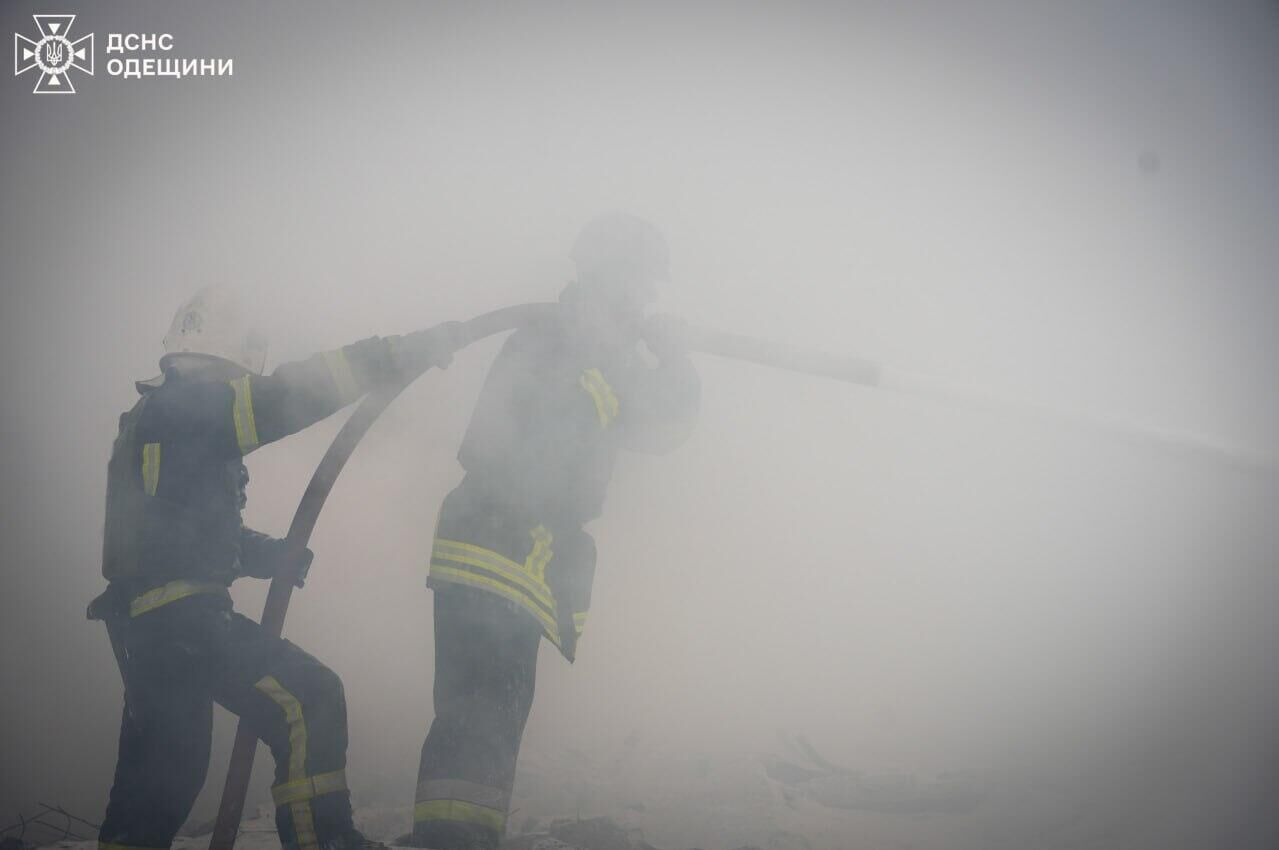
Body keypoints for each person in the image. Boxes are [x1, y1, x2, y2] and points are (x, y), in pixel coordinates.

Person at [90, 286, 459, 850]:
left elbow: (177, 530)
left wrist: (266, 554)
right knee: (310, 701)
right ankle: (324, 841)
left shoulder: (160, 416)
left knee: (161, 781)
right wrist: (391, 354)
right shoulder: (193, 407)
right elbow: (289, 395)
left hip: (148, 628)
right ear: (231, 359)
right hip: (179, 621)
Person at [411, 214, 701, 848]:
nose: (646, 299)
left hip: (487, 544)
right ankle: (457, 843)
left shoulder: (558, 336)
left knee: (471, 716)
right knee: (488, 716)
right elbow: (663, 424)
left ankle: (447, 838)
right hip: (508, 550)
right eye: (642, 283)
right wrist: (675, 356)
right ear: (613, 276)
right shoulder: (587, 345)